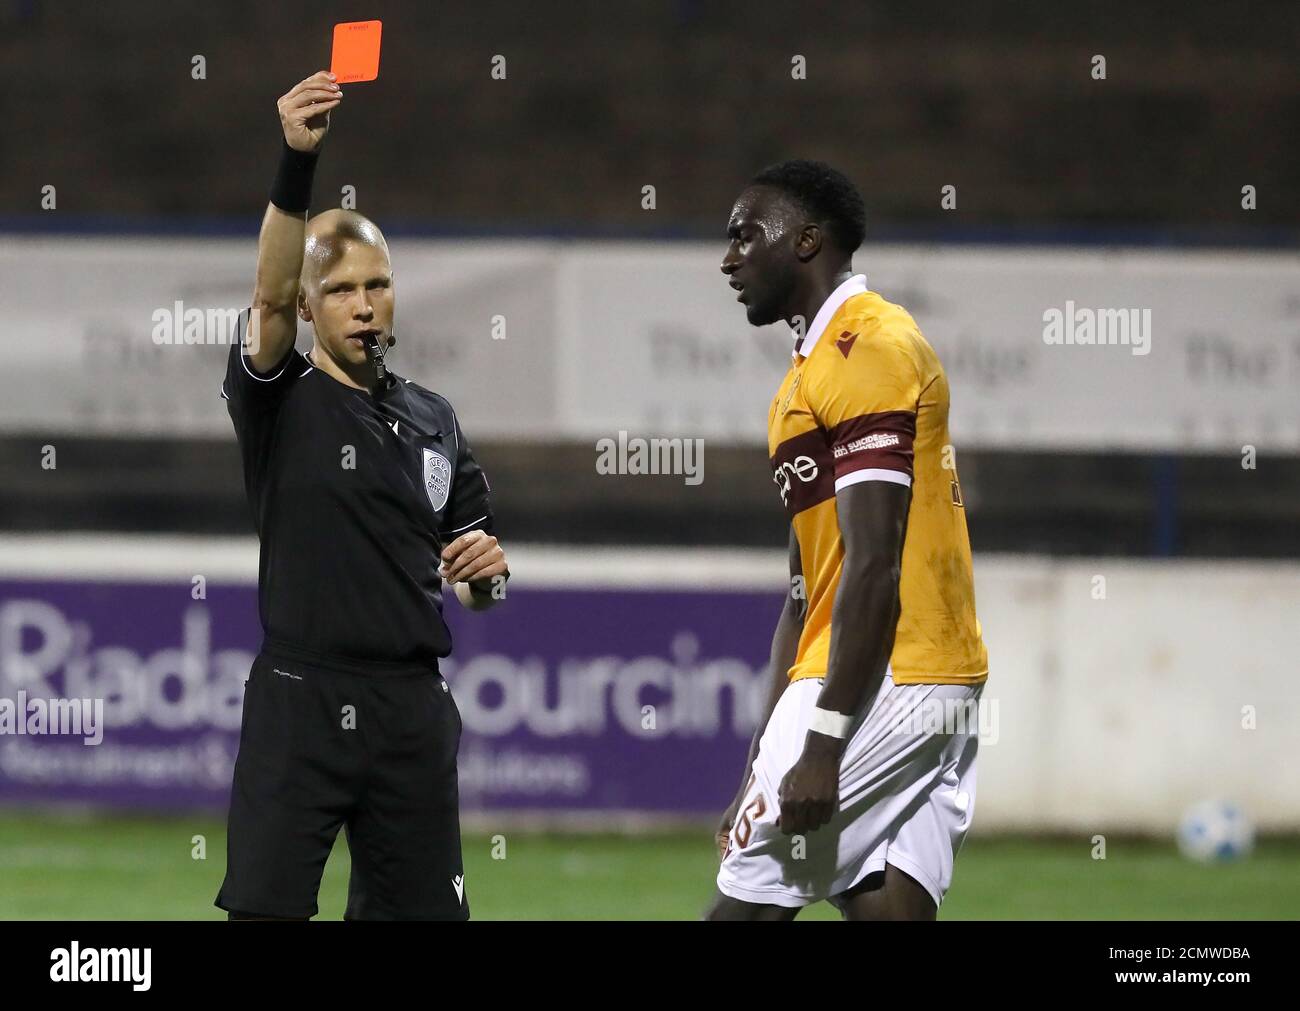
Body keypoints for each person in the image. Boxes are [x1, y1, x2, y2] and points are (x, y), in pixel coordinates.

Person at [214, 70, 508, 921]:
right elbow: (263, 295)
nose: (364, 304)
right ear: (308, 309)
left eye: (377, 284)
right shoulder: (280, 396)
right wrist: (295, 163)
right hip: (298, 699)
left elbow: (478, 581)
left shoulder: (435, 420)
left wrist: (487, 574)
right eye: (340, 290)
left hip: (410, 710)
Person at [707, 160, 988, 920]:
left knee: (743, 909)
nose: (728, 258)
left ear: (806, 240)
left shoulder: (869, 347)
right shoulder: (807, 377)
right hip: (903, 676)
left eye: (744, 236)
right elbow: (806, 591)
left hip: (888, 674)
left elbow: (874, 564)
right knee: (886, 908)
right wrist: (759, 758)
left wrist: (824, 741)